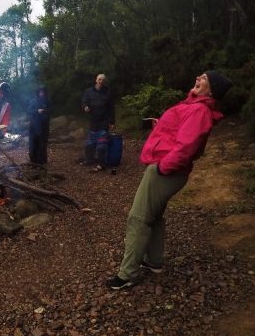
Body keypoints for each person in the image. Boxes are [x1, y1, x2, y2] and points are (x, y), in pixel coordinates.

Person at [106, 71, 233, 290]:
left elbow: (186, 147)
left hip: (166, 171)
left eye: (204, 78)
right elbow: (179, 136)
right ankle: (153, 261)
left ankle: (127, 274)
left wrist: (163, 168)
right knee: (153, 216)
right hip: (169, 169)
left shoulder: (200, 110)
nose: (198, 78)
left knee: (138, 218)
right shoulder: (194, 106)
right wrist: (161, 126)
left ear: (211, 89)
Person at [81, 73, 115, 171]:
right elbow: (84, 102)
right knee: (89, 144)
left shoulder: (108, 92)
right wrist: (85, 107)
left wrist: (112, 122)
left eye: (103, 80)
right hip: (93, 121)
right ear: (96, 80)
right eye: (99, 79)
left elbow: (111, 108)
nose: (101, 81)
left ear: (105, 82)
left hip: (104, 121)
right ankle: (89, 160)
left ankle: (101, 164)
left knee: (102, 145)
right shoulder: (89, 91)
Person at [27, 86, 50, 164]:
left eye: (43, 92)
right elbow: (29, 110)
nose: (41, 93)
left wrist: (45, 112)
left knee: (42, 144)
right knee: (33, 144)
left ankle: (42, 161)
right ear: (38, 92)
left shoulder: (48, 101)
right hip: (34, 126)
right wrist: (37, 110)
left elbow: (50, 111)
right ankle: (33, 160)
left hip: (44, 127)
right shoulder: (33, 101)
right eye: (40, 92)